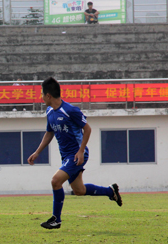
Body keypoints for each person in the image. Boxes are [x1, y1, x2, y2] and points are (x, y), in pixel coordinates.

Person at [27, 77, 122, 230]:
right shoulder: (50, 111)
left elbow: (88, 129)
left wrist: (80, 151)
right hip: (66, 156)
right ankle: (110, 191)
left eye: (42, 94)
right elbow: (49, 133)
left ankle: (56, 219)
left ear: (48, 95)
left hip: (76, 155)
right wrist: (37, 152)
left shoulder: (70, 111)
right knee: (79, 190)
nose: (41, 97)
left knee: (55, 181)